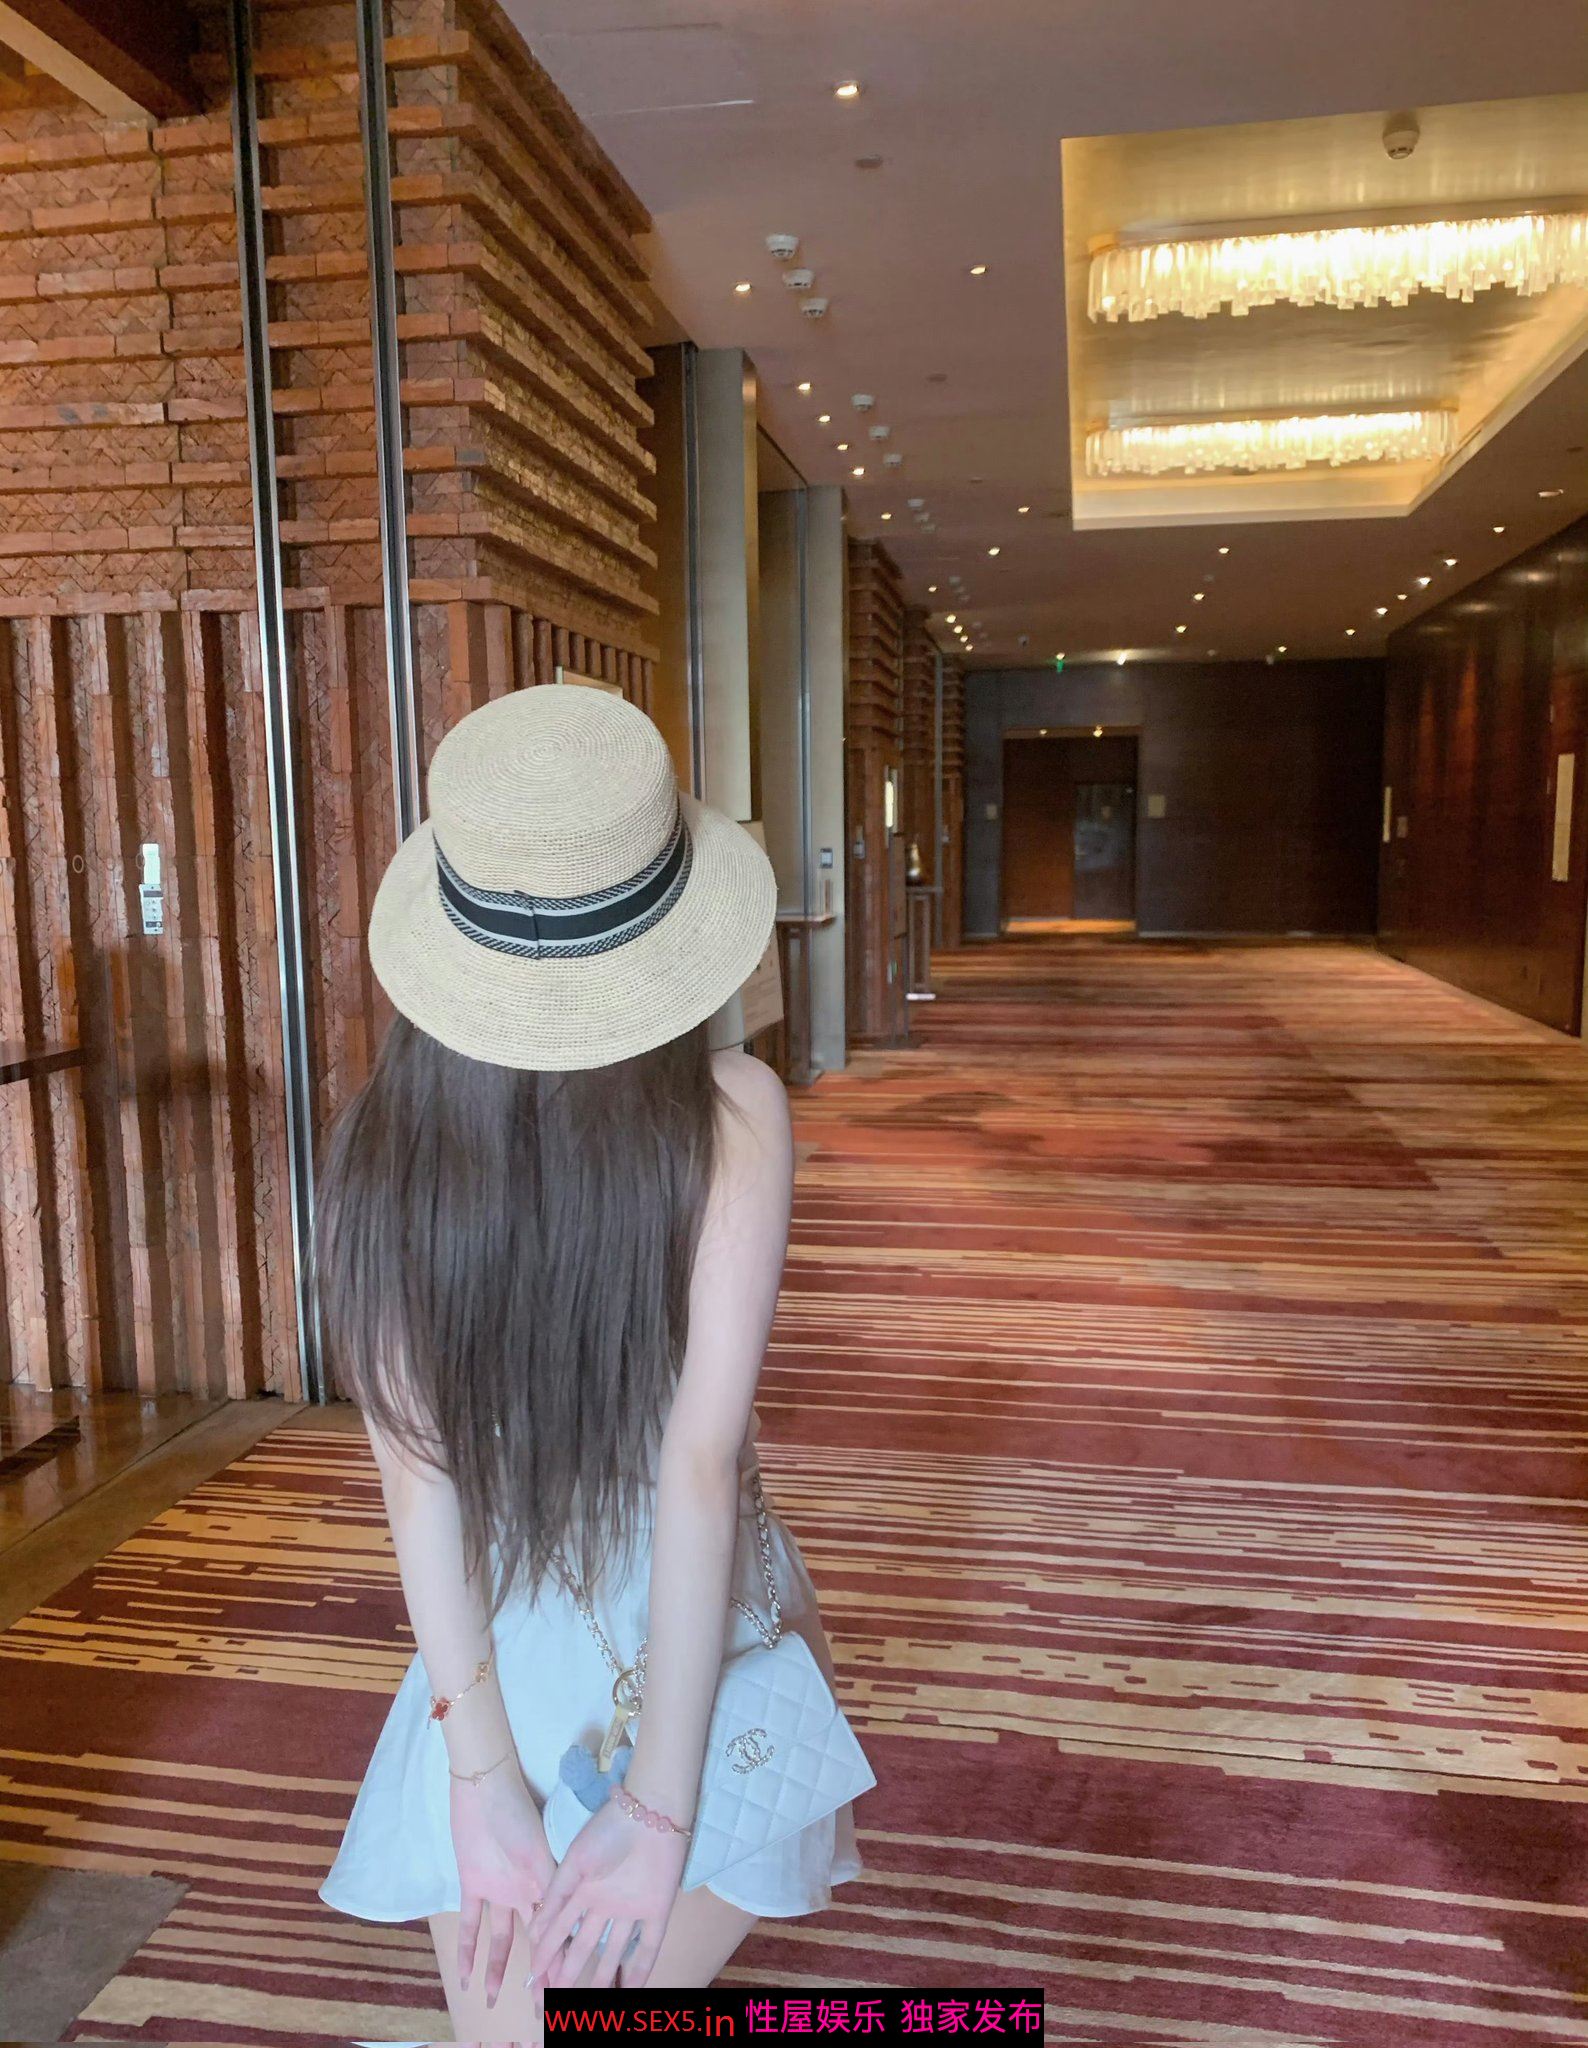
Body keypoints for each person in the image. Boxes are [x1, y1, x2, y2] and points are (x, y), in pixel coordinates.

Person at [314, 683, 873, 2040]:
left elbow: (420, 1485)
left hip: (492, 1648)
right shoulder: (735, 1111)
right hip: (685, 1635)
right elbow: (696, 1468)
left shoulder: (381, 1144)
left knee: (515, 2027)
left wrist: (480, 1777)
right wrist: (660, 1808)